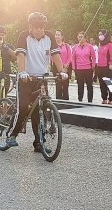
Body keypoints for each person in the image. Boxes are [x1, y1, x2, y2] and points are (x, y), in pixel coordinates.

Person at [5, 12, 67, 151]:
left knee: (39, 110)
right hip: (26, 78)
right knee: (24, 107)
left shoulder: (50, 36)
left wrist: (62, 71)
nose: (39, 29)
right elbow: (20, 55)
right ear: (30, 27)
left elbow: (55, 55)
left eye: (42, 27)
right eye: (36, 27)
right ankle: (11, 135)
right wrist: (22, 72)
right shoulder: (23, 36)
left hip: (41, 78)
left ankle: (39, 142)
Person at [71, 32, 95, 103]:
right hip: (79, 69)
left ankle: (90, 100)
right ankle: (80, 99)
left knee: (89, 85)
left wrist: (93, 65)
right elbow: (73, 58)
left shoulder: (89, 46)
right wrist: (74, 67)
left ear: (85, 38)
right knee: (80, 85)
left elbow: (93, 57)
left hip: (88, 69)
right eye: (79, 37)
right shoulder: (75, 47)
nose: (80, 38)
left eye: (82, 37)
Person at [95, 29, 112, 105]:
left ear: (105, 35)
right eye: (99, 34)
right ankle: (104, 98)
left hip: (107, 67)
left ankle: (111, 99)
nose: (100, 36)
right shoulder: (100, 44)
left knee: (109, 84)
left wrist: (111, 64)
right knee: (102, 84)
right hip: (100, 66)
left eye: (101, 34)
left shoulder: (110, 44)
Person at [53, 30, 72, 100]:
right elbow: (52, 57)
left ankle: (66, 101)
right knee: (58, 86)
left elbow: (70, 56)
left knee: (65, 86)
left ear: (62, 36)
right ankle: (58, 102)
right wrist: (60, 66)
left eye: (58, 35)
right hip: (57, 67)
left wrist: (66, 65)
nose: (57, 36)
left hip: (66, 67)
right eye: (56, 34)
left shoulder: (66, 46)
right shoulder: (53, 46)